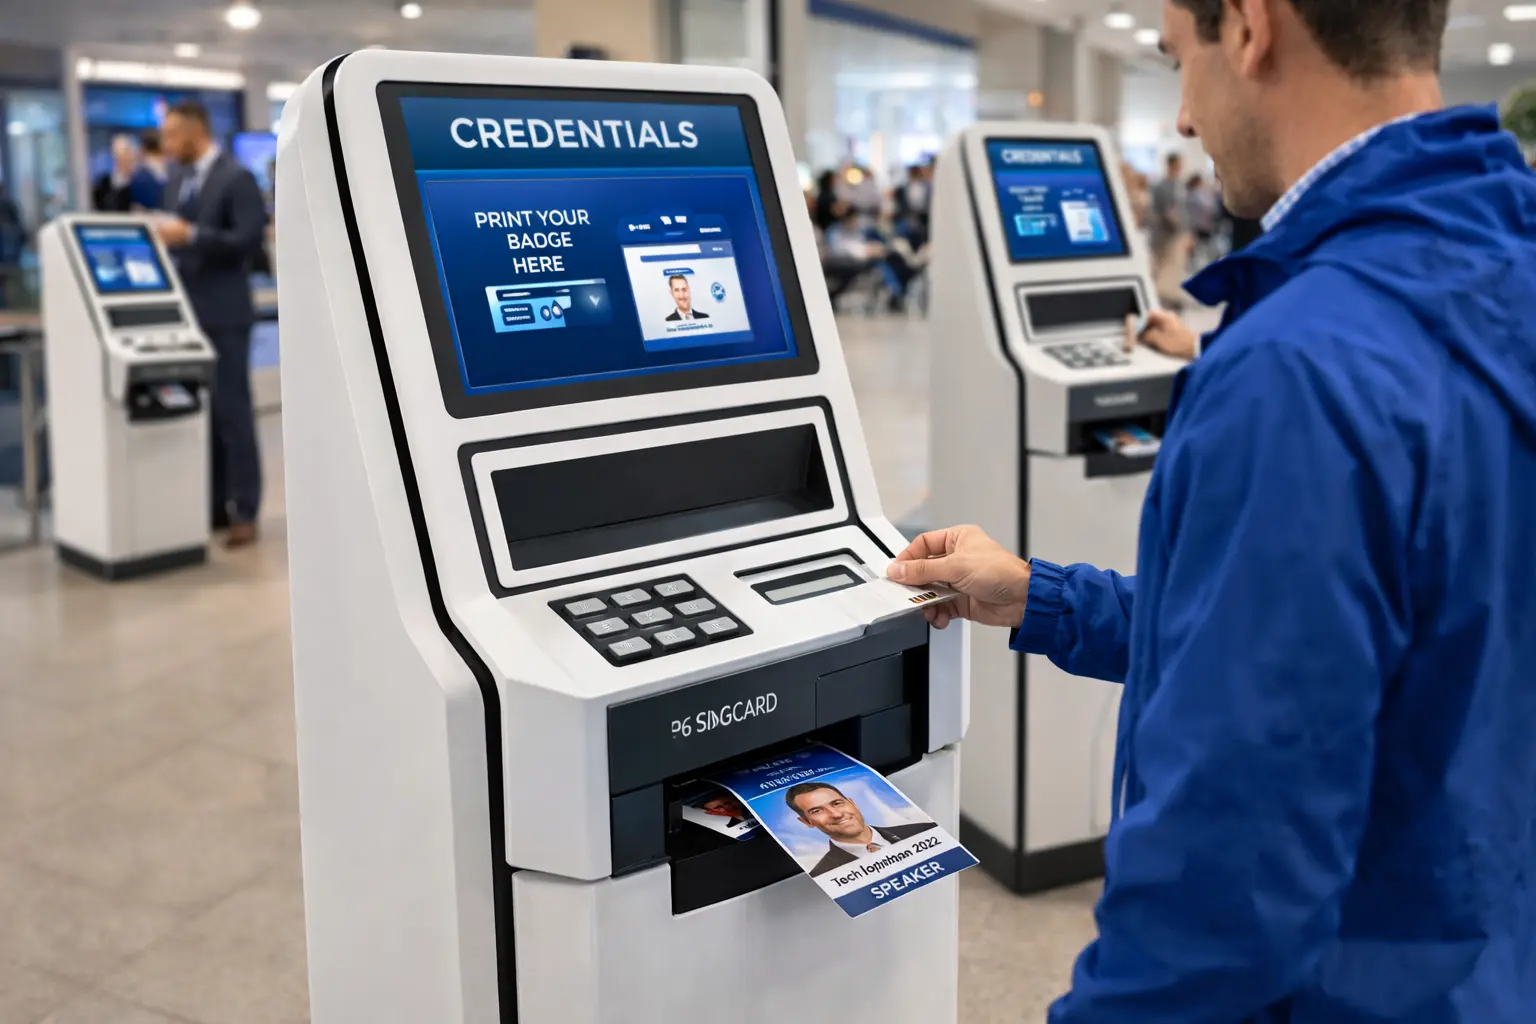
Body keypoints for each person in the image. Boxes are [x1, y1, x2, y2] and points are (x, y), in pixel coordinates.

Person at [890, 0, 1535, 1020]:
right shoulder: (1500, 265)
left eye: (1177, 59)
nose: (1185, 118)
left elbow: (1221, 896)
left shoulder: (1296, 369)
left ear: (1247, 27)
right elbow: (1368, 642)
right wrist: (1039, 595)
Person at [156, 100, 269, 548]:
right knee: (200, 415)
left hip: (225, 314)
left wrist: (192, 235)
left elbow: (248, 241)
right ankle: (213, 504)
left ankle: (244, 508)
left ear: (194, 132)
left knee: (232, 412)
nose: (165, 145)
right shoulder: (177, 180)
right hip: (187, 313)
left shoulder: (236, 178)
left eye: (171, 135)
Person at [783, 782, 936, 877]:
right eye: (817, 811)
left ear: (852, 803)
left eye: (837, 803)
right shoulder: (823, 874)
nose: (836, 814)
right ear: (806, 822)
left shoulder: (924, 831)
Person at [1148, 152, 1190, 309]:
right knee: (1164, 266)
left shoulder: (1179, 186)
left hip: (1177, 234)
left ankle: (1172, 296)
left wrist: (1187, 231)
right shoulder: (1162, 186)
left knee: (1175, 266)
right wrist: (1178, 226)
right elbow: (1166, 211)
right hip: (1165, 234)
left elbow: (1183, 210)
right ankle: (1162, 297)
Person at [90, 135, 138, 212]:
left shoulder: (138, 182)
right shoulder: (104, 182)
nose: (125, 159)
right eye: (121, 155)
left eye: (128, 154)